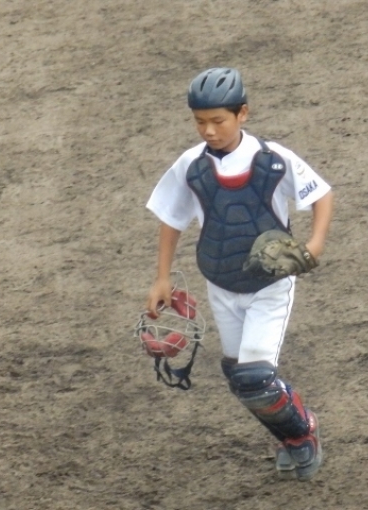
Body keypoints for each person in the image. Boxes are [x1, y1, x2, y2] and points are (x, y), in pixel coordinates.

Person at [144, 67, 334, 481]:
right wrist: (162, 278)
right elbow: (171, 219)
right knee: (238, 376)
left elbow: (321, 195)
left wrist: (314, 245)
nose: (208, 131)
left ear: (242, 113)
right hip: (221, 283)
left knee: (255, 377)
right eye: (200, 122)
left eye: (218, 120)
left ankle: (303, 430)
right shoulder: (190, 165)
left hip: (270, 285)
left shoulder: (273, 159)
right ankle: (287, 437)